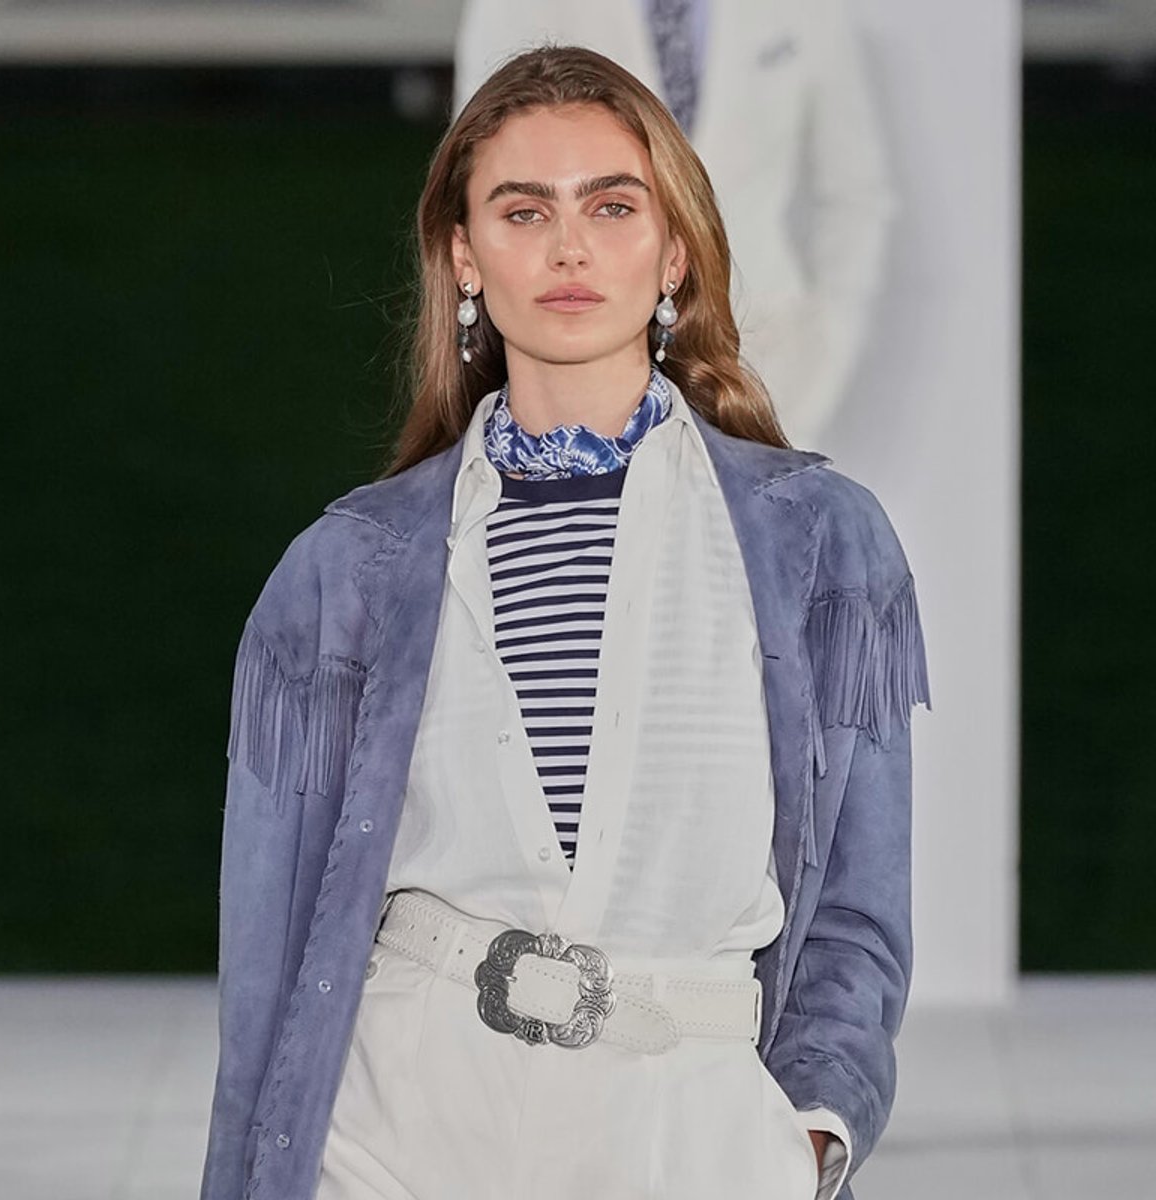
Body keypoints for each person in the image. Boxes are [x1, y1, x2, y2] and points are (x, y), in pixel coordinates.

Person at [199, 45, 928, 1200]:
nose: (570, 246)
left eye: (613, 204)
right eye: (522, 209)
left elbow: (855, 906)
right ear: (464, 254)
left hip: (687, 1132)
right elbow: (271, 947)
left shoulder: (820, 548)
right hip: (399, 1129)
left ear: (674, 249)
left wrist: (813, 1131)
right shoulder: (346, 570)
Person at [454, 0, 897, 449]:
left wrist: (822, 361)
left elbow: (855, 195)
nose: (570, 246)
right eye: (528, 214)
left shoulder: (809, 10)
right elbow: (478, 178)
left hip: (771, 368)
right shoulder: (510, 8)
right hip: (568, 393)